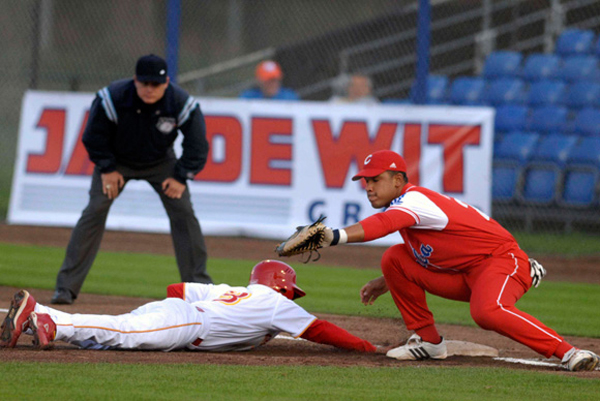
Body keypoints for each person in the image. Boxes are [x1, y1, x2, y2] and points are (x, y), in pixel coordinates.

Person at [296, 149, 599, 372]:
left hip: (500, 262)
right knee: (395, 258)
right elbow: (419, 251)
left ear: (399, 180)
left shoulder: (413, 200)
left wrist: (334, 235)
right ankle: (429, 342)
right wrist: (385, 282)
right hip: (467, 273)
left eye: (376, 179)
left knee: (487, 312)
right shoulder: (406, 206)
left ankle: (569, 352)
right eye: (365, 180)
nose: (369, 186)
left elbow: (381, 225)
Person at [51, 54, 212, 306]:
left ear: (166, 82)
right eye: (144, 83)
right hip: (116, 162)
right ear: (135, 80)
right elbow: (93, 137)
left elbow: (198, 144)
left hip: (161, 163)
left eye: (155, 85)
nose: (150, 89)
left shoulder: (181, 103)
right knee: (95, 210)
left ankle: (201, 289)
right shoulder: (112, 98)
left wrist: (181, 176)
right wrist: (107, 168)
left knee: (184, 213)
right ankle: (65, 288)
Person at [1, 260, 381, 354]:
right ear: (280, 286)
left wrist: (220, 307)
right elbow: (320, 330)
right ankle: (49, 321)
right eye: (291, 292)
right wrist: (368, 348)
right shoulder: (274, 303)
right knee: (124, 335)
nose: (291, 298)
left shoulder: (235, 290)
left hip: (180, 311)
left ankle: (33, 318)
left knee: (113, 333)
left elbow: (175, 288)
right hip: (189, 324)